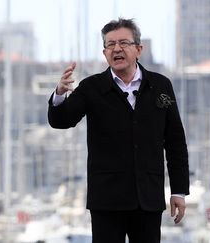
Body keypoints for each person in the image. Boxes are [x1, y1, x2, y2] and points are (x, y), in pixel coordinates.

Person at [47, 18, 189, 243]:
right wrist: (59, 94)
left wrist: (178, 191)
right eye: (110, 44)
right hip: (106, 199)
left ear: (138, 49)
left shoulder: (161, 86)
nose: (117, 49)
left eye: (123, 42)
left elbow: (175, 142)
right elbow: (61, 120)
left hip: (148, 198)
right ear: (105, 53)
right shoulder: (91, 87)